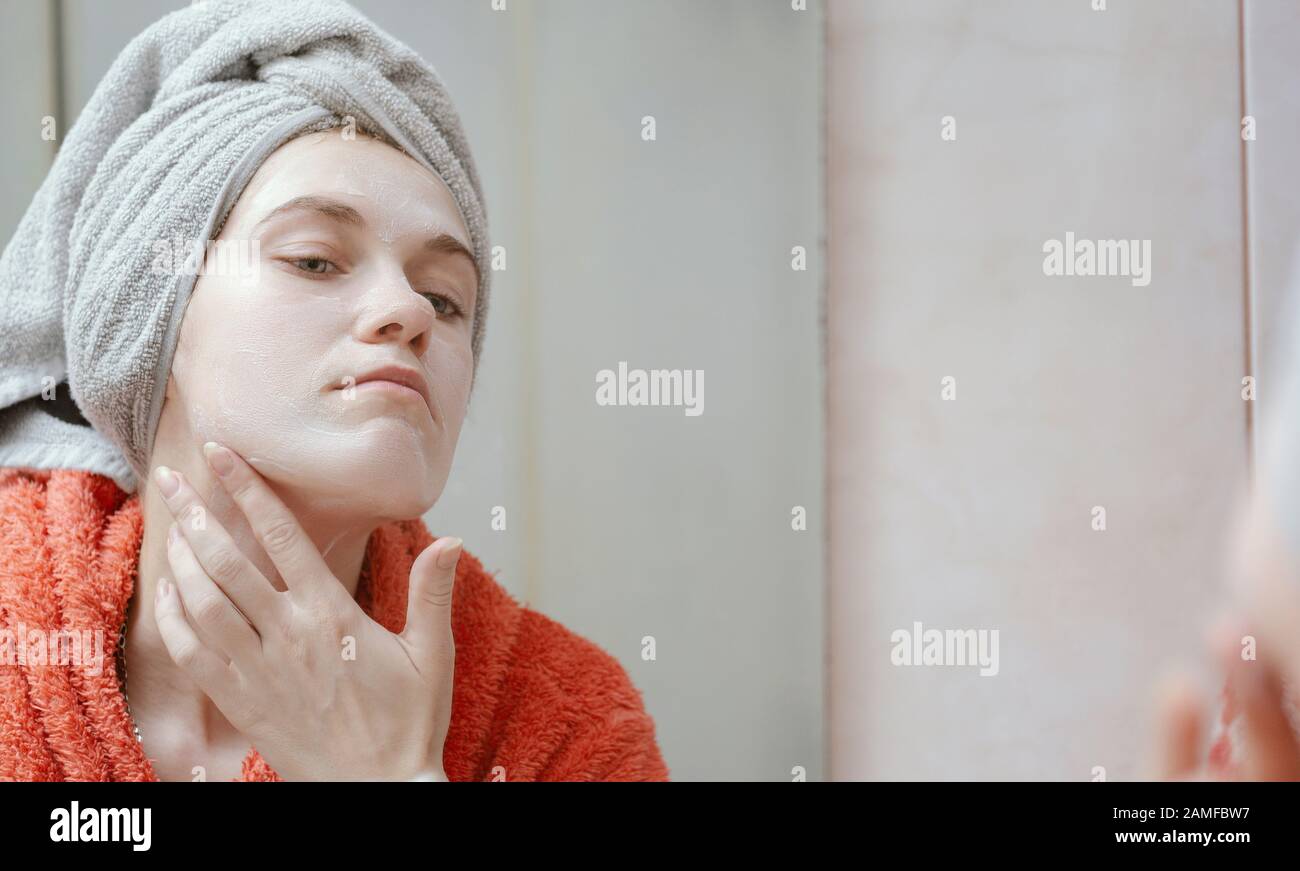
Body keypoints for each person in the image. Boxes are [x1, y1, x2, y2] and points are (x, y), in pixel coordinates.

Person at [0, 0, 668, 782]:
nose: (409, 311)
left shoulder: (569, 728)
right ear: (152, 321)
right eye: (315, 259)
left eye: (446, 298)